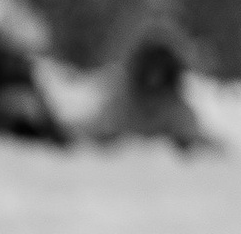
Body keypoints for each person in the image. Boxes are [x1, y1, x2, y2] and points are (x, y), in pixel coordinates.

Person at [86, 21, 217, 151]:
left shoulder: (178, 111)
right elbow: (91, 134)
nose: (155, 75)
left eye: (161, 67)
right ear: (140, 68)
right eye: (151, 66)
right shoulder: (120, 106)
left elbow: (201, 145)